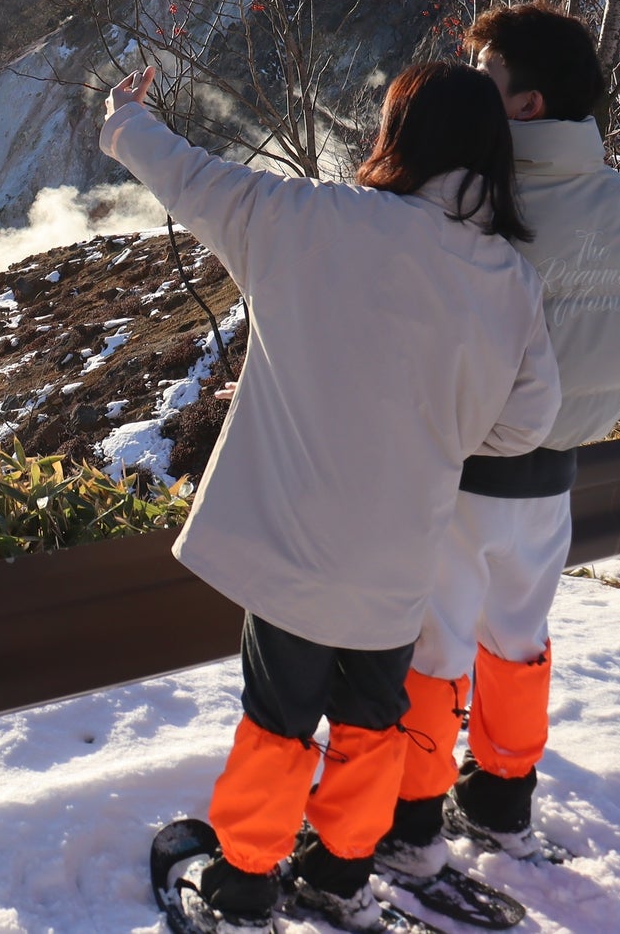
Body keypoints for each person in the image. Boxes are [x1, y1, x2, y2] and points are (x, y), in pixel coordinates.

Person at [104, 61, 562, 932]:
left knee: (280, 717)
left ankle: (242, 887)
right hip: (404, 552)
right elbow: (526, 421)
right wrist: (441, 433)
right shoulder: (511, 279)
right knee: (372, 718)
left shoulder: (314, 220)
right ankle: (340, 877)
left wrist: (124, 117)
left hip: (297, 542)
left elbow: (193, 178)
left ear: (401, 139)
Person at [377, 6, 620, 870]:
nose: (465, 76)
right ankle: (503, 796)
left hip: (463, 471)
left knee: (434, 646)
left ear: (527, 105)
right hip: (555, 475)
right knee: (517, 634)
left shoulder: (473, 205)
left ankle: (413, 814)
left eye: (482, 71)